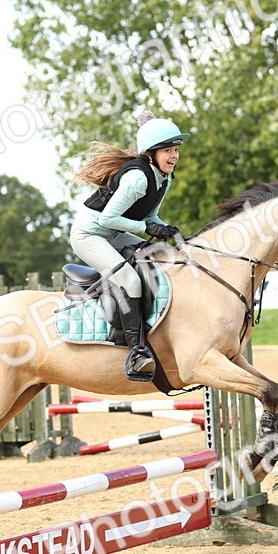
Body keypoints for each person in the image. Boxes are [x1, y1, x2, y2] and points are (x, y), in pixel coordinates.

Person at [70, 111, 190, 381]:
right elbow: (108, 218)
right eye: (168, 151)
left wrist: (166, 228)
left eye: (176, 150)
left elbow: (149, 217)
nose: (174, 156)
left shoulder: (165, 178)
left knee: (165, 258)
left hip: (116, 233)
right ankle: (137, 351)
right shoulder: (137, 178)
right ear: (151, 154)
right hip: (91, 235)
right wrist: (150, 229)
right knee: (130, 281)